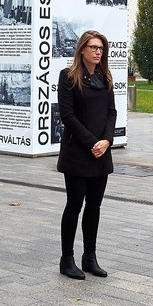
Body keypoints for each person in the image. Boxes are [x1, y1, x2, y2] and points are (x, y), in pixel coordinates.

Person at [56, 30, 116, 279]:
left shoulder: (105, 77)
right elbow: (67, 116)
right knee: (74, 205)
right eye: (93, 47)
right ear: (82, 49)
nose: (97, 52)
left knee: (94, 207)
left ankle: (89, 257)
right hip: (78, 153)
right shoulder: (68, 77)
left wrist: (106, 141)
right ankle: (67, 259)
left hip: (101, 152)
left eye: (101, 48)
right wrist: (93, 142)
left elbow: (111, 112)